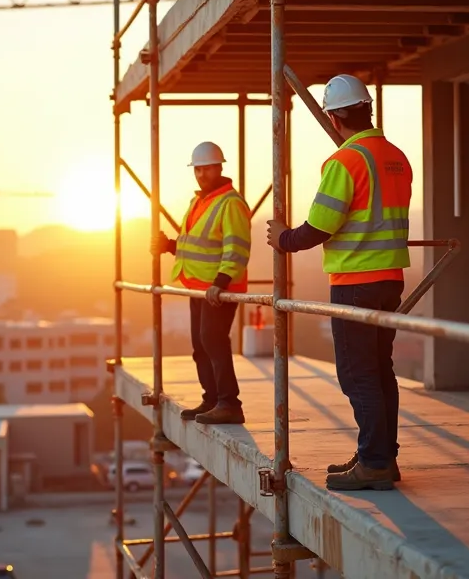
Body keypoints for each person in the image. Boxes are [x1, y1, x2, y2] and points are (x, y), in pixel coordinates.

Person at [265, 74, 412, 491]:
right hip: (390, 279)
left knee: (357, 374)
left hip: (355, 282)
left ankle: (375, 462)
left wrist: (284, 240)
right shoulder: (396, 157)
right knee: (379, 370)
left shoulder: (346, 161)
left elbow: (321, 225)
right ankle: (380, 455)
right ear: (367, 110)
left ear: (334, 118)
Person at [152, 141, 252, 425]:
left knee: (213, 340)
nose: (201, 174)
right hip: (199, 287)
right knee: (201, 344)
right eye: (197, 169)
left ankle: (229, 403)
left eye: (207, 168)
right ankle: (212, 399)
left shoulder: (231, 203)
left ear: (219, 168)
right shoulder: (199, 201)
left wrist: (221, 282)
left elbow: (237, 248)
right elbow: (197, 243)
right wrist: (169, 245)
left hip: (219, 289)